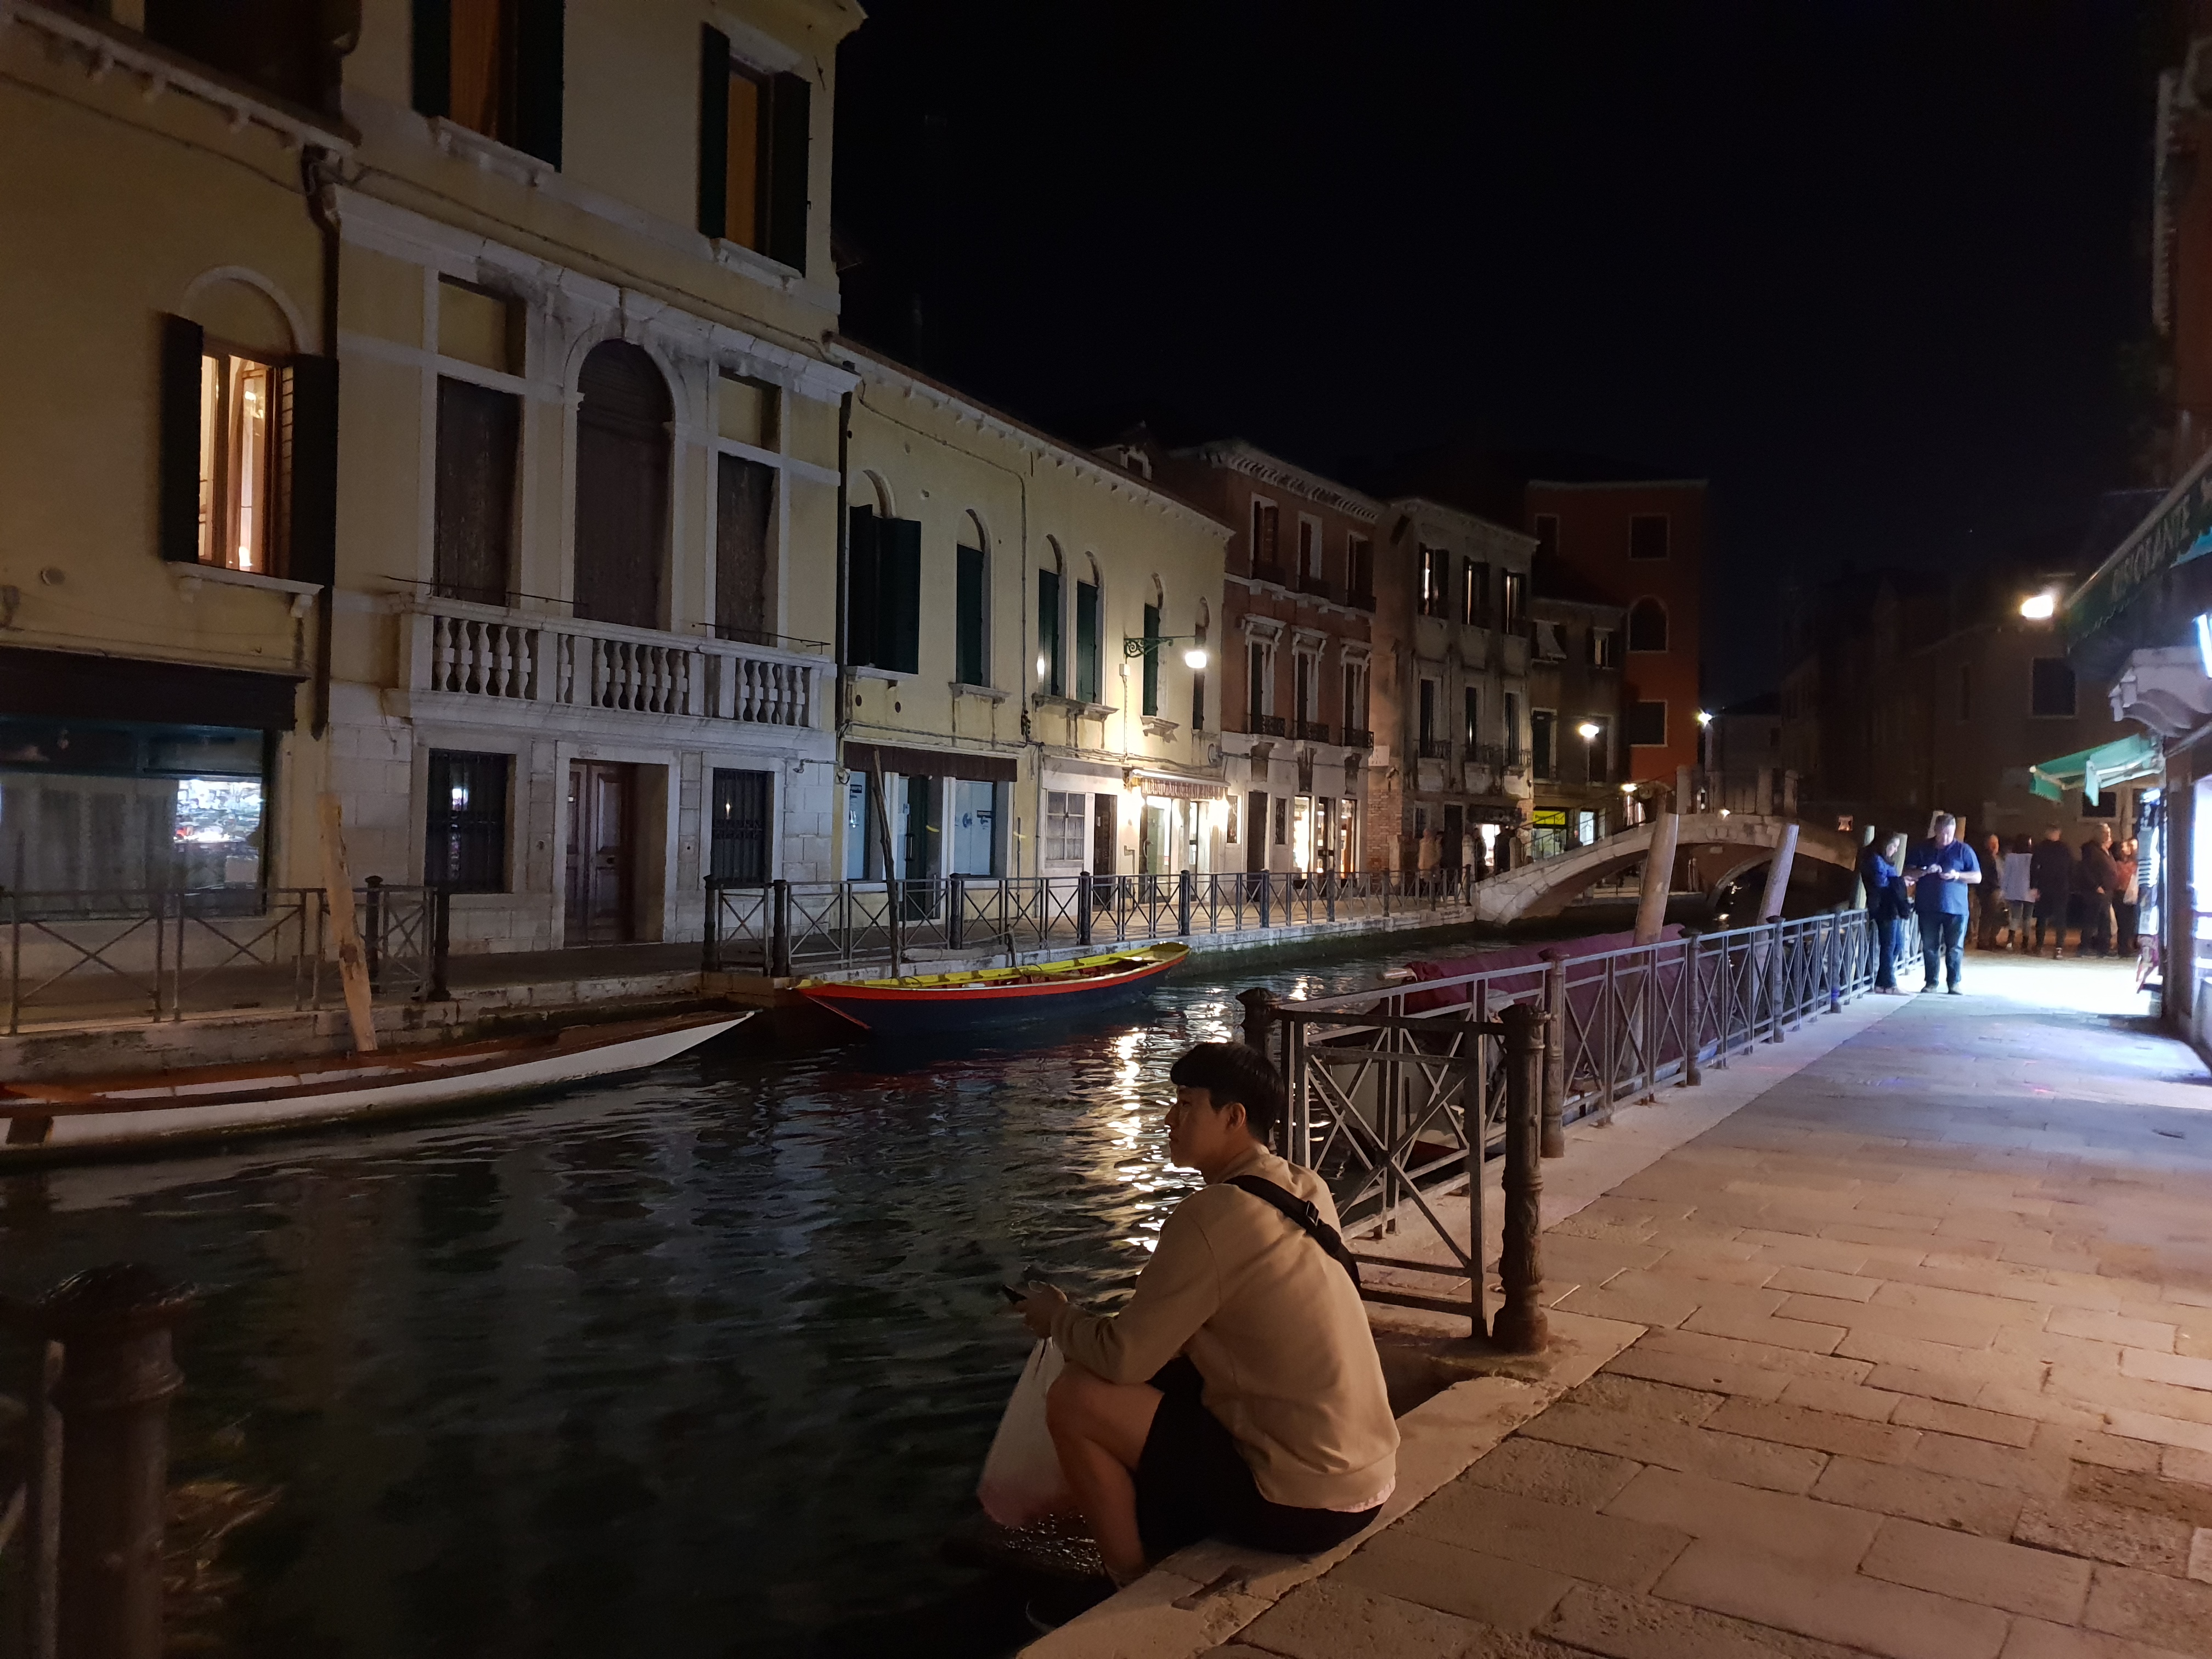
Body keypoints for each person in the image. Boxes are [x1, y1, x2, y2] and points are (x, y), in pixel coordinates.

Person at [1016, 1043, 1396, 1588]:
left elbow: (1124, 1359)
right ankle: (1166, 1525)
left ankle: (1124, 1580)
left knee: (1077, 1398)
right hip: (1369, 1480)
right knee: (1166, 1376)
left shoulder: (1210, 1216)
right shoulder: (1305, 1188)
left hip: (1302, 1506)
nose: (1169, 1119)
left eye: (1187, 1105)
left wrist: (1058, 1317)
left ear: (1233, 1118)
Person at [1907, 812, 1981, 993]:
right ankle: (1931, 982)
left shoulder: (1964, 850)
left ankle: (1954, 983)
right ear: (1936, 830)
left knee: (1955, 948)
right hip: (1928, 906)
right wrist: (1925, 871)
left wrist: (1957, 875)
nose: (1946, 838)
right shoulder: (1922, 849)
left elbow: (1977, 877)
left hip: (1956, 908)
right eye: (1943, 834)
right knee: (1929, 947)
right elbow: (1907, 872)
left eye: (1950, 834)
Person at [1861, 831, 1910, 994]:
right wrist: (1901, 882)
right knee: (1889, 945)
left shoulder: (1882, 860)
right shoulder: (1875, 860)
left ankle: (1882, 982)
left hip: (1890, 907)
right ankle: (1889, 984)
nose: (1895, 850)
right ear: (1885, 844)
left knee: (1896, 945)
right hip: (1884, 907)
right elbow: (1881, 883)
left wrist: (1900, 882)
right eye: (1893, 846)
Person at [2029, 825, 2074, 957]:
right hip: (2061, 888)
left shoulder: (2041, 848)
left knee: (2042, 917)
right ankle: (2059, 947)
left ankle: (2039, 946)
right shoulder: (2065, 849)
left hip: (2045, 886)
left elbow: (2034, 868)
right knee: (2060, 918)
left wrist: (2034, 886)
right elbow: (2072, 868)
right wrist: (2070, 885)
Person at [2077, 824, 2121, 958]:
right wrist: (2096, 886)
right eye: (2106, 832)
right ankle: (2084, 948)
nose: (2109, 835)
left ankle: (2104, 949)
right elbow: (2086, 870)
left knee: (2105, 921)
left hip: (2107, 890)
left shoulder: (2104, 849)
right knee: (2091, 920)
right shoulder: (2091, 850)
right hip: (2096, 891)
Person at [2000, 834, 2035, 952]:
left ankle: (2010, 942)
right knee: (2027, 918)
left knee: (2015, 917)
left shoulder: (2010, 857)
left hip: (2014, 890)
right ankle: (2025, 943)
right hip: (2029, 890)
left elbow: (2006, 875)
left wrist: (2004, 890)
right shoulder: (2032, 858)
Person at [1977, 832, 2005, 951]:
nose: (1995, 846)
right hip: (1989, 891)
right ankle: (1983, 941)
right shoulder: (1985, 859)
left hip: (1999, 891)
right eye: (1992, 843)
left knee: (1997, 916)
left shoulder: (1999, 859)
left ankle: (1992, 939)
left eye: (1996, 843)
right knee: (1987, 916)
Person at [2116, 837, 2141, 956]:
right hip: (2122, 894)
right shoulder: (2121, 864)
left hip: (2135, 895)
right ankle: (2124, 948)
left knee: (2134, 922)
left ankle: (2133, 946)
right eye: (2129, 846)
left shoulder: (2139, 863)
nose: (2131, 849)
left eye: (2133, 846)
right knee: (2124, 923)